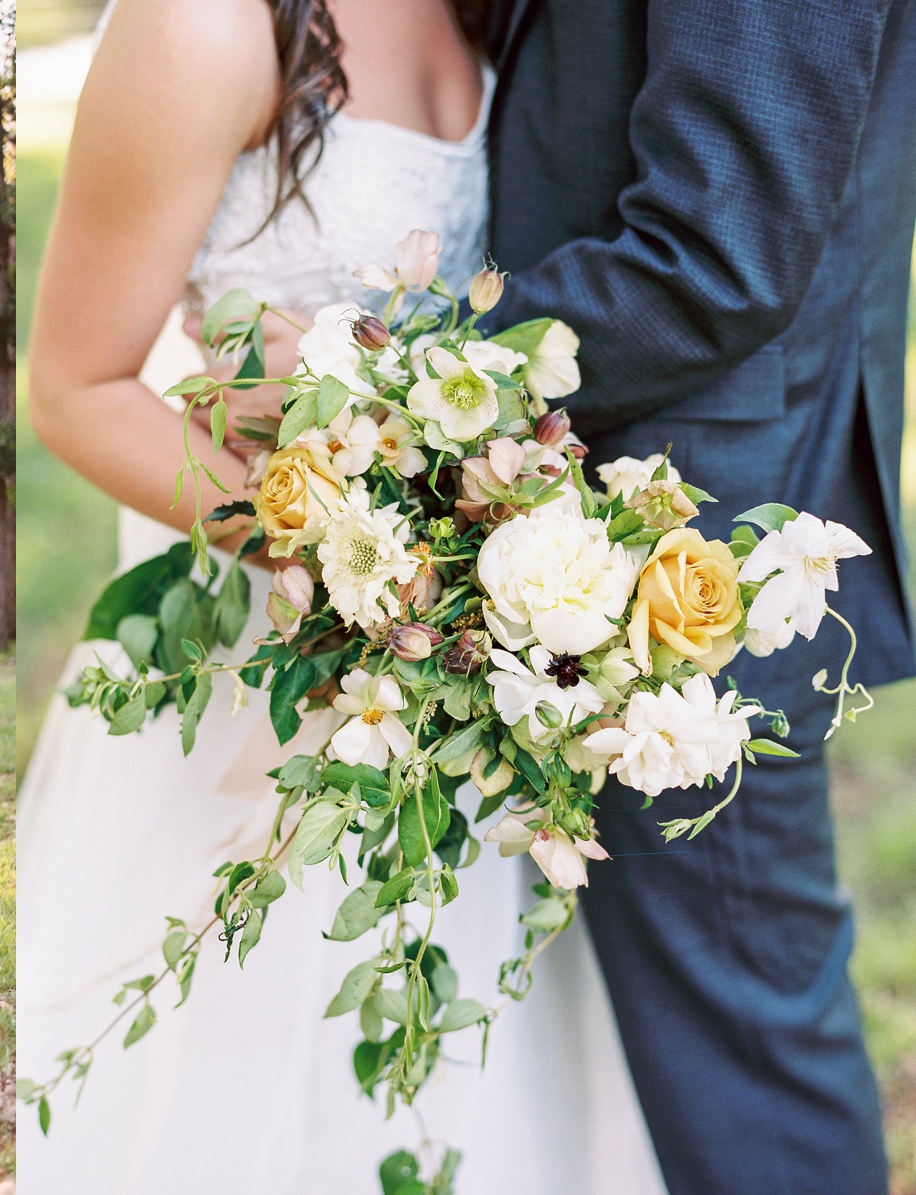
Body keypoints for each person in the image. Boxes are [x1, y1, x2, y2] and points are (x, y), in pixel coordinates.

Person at [18, 1, 664, 1191]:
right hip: (278, 658)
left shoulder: (494, 12)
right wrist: (341, 553)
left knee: (457, 1052)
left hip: (452, 671)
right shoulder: (201, 25)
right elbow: (75, 384)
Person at [481, 2, 916, 1192]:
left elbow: (719, 252)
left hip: (700, 534)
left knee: (748, 1051)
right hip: (651, 487)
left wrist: (424, 368)